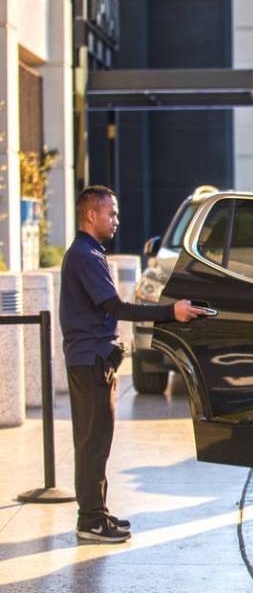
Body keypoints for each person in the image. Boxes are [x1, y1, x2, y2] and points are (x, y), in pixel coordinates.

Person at [62, 186, 207, 543]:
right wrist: (171, 312)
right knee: (93, 443)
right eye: (110, 214)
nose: (116, 220)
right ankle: (90, 520)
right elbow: (118, 308)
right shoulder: (85, 255)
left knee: (97, 441)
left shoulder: (89, 252)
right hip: (90, 361)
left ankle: (97, 512)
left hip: (95, 360)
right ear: (91, 215)